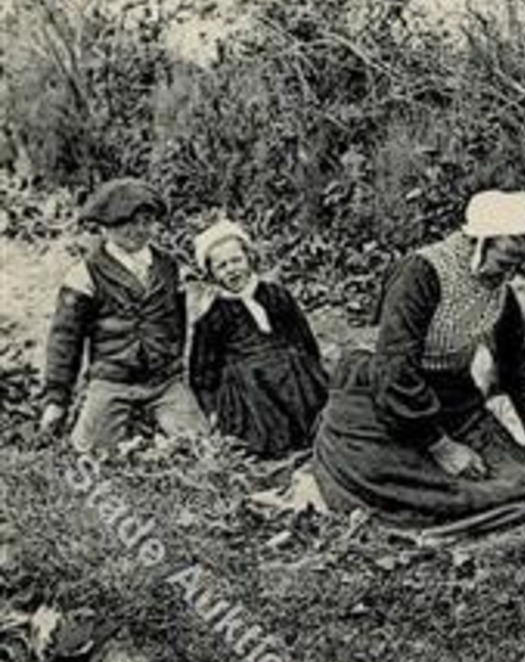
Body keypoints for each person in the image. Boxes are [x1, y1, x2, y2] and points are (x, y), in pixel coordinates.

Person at [311, 190, 525, 527]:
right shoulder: (421, 274)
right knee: (391, 485)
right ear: (482, 239)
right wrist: (441, 446)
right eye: (505, 260)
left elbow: (524, 375)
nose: (507, 274)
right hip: (383, 396)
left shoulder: (501, 295)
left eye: (516, 265)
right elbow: (394, 368)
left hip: (451, 397)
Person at [40, 177, 207, 451]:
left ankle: (159, 422)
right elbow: (64, 340)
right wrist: (57, 399)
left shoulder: (168, 267)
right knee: (90, 451)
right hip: (112, 381)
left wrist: (173, 365)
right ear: (105, 226)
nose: (138, 230)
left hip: (162, 381)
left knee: (200, 445)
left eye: (146, 221)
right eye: (126, 223)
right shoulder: (85, 274)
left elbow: (177, 322)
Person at [188, 219, 328, 458]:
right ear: (211, 273)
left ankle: (306, 432)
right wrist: (212, 408)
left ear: (249, 259)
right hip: (250, 385)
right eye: (221, 266)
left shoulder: (276, 296)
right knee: (254, 392)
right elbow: (203, 369)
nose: (231, 270)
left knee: (301, 379)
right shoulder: (213, 316)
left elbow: (304, 339)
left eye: (236, 261)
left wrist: (313, 369)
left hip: (291, 373)